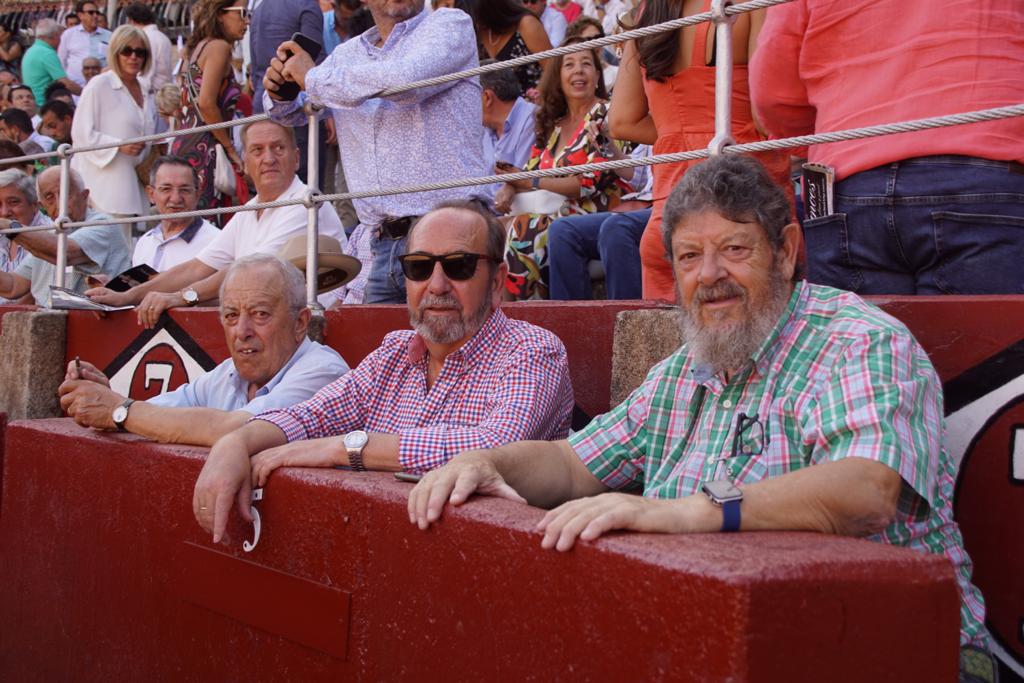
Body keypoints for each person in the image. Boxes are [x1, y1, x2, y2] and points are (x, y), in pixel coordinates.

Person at [407, 155, 995, 682]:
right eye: (689, 256)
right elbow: (570, 461)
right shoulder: (681, 373)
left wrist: (686, 511)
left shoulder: (859, 341)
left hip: (898, 655)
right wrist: (485, 461)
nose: (709, 274)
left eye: (735, 250)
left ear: (786, 252)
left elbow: (866, 488)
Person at [192, 200, 575, 542]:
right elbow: (310, 416)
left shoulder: (532, 350)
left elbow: (495, 450)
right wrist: (236, 443)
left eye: (458, 266)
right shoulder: (393, 353)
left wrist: (344, 448)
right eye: (420, 267)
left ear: (495, 282)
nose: (436, 285)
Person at [750, 0, 1024, 296]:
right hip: (984, 167)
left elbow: (773, 97)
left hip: (846, 184)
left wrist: (836, 131)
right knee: (988, 339)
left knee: (853, 341)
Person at [263, 0, 491, 305]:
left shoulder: (450, 24)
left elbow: (405, 82)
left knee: (457, 345)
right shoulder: (346, 55)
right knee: (384, 348)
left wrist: (313, 78)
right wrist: (279, 91)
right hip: (381, 243)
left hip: (450, 232)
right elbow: (291, 114)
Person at [59, 254, 350, 447]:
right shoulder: (228, 373)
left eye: (260, 314)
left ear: (300, 323)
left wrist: (118, 411)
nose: (242, 331)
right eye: (231, 316)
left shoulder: (323, 371)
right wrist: (109, 398)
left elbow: (240, 431)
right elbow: (154, 413)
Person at [609, 0, 791, 302]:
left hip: (669, 217)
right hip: (744, 207)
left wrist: (682, 132)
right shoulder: (750, 4)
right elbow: (766, 115)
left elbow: (621, 121)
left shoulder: (646, 13)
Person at [85, 119, 347, 327]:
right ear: (244, 163)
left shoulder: (304, 202)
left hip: (306, 329)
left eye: (278, 148)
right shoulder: (250, 208)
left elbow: (248, 272)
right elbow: (197, 267)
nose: (268, 158)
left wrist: (179, 297)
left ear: (297, 158)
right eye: (257, 150)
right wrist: (127, 296)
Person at [498, 37, 633, 299]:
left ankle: (524, 319)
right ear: (558, 76)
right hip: (551, 212)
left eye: (586, 64)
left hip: (594, 214)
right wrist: (508, 187)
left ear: (597, 74)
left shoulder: (610, 114)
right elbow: (528, 170)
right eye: (569, 64)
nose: (578, 70)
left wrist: (528, 182)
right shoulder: (554, 125)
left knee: (525, 229)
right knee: (488, 229)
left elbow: (587, 184)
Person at [0, 167, 130, 306]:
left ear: (84, 196)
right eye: (50, 197)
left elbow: (64, 253)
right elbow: (13, 286)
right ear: (42, 205)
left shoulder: (103, 224)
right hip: (48, 320)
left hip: (94, 319)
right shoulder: (47, 236)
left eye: (66, 194)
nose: (59, 203)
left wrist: (8, 226)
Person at [71, 25, 155, 224]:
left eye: (140, 52)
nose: (133, 57)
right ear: (116, 53)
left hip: (134, 180)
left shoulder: (144, 87)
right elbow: (81, 134)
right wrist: (118, 145)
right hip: (103, 183)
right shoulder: (99, 85)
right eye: (127, 51)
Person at [547, 144, 652, 300]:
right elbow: (638, 175)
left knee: (616, 228)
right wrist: (606, 145)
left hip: (677, 204)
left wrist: (533, 182)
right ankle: (569, 321)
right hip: (645, 203)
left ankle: (625, 321)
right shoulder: (652, 130)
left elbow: (587, 185)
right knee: (561, 230)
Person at [171, 0, 247, 212]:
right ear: (220, 14)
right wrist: (231, 149)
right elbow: (206, 103)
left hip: (185, 144)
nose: (247, 21)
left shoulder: (198, 48)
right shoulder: (219, 48)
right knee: (207, 223)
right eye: (242, 13)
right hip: (205, 150)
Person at [133, 156, 220, 271]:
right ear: (151, 194)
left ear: (197, 194)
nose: (175, 199)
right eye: (166, 189)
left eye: (184, 190)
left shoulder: (215, 243)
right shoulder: (145, 242)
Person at [479, 62, 537, 213]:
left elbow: (520, 179)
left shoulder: (533, 119)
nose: (465, 106)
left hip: (521, 215)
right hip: (489, 216)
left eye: (468, 98)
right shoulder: (484, 131)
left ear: (487, 97)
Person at [468, 0, 552, 97]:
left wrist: (536, 96)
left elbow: (551, 68)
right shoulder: (478, 33)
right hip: (495, 109)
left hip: (534, 105)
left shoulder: (526, 23)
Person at [0, 168, 51, 302]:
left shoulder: (51, 235)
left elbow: (33, 295)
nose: (5, 212)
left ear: (35, 205)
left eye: (13, 202)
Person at [20, 19, 82, 107]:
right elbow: (64, 83)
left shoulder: (32, 50)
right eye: (60, 35)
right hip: (44, 105)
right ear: (55, 35)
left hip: (35, 102)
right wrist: (85, 93)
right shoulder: (46, 53)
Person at [58, 1, 112, 87]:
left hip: (102, 85)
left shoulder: (109, 36)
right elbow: (61, 61)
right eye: (91, 13)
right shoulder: (68, 34)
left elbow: (112, 62)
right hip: (76, 88)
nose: (95, 16)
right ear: (80, 15)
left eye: (97, 12)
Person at [125, 2, 174, 90]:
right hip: (162, 92)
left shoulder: (146, 38)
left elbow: (145, 75)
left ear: (131, 21)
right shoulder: (162, 37)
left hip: (151, 94)